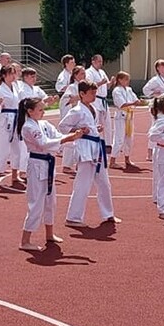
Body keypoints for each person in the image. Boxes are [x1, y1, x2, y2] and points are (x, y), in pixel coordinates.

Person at [18, 97, 86, 251]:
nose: (43, 112)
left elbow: (57, 137)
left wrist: (76, 136)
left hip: (48, 164)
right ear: (30, 111)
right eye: (40, 109)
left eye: (43, 109)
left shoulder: (44, 124)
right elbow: (44, 143)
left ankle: (50, 233)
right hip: (36, 165)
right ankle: (25, 240)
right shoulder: (28, 127)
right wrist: (70, 137)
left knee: (50, 201)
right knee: (36, 203)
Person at [60, 80, 120, 227]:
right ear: (82, 94)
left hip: (95, 147)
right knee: (83, 183)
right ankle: (73, 217)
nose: (94, 95)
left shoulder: (91, 108)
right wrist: (77, 132)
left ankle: (108, 213)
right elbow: (62, 127)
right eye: (92, 93)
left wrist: (94, 128)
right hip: (85, 148)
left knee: (104, 183)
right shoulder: (76, 110)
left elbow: (89, 125)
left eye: (95, 92)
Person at [0, 64, 26, 184]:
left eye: (14, 73)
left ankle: (15, 174)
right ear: (4, 75)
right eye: (10, 73)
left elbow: (21, 102)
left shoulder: (16, 87)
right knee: (3, 149)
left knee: (16, 148)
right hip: (4, 120)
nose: (13, 76)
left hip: (16, 118)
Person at [110, 71, 145, 168]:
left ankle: (127, 159)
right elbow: (121, 104)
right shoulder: (116, 90)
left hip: (129, 116)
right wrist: (134, 103)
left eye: (128, 79)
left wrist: (140, 102)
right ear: (119, 80)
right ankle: (113, 161)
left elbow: (135, 99)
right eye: (125, 79)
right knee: (119, 139)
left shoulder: (129, 89)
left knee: (129, 138)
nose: (127, 81)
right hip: (121, 116)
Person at [59, 66, 86, 172]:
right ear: (75, 75)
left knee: (80, 140)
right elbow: (67, 100)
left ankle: (79, 163)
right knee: (71, 140)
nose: (84, 76)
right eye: (81, 74)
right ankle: (66, 166)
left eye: (84, 73)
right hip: (72, 115)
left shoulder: (83, 86)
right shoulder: (72, 87)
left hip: (80, 115)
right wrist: (81, 96)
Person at [86, 54, 114, 142]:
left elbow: (107, 86)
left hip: (103, 100)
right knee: (97, 122)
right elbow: (90, 86)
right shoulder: (89, 72)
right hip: (95, 99)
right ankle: (96, 141)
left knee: (107, 122)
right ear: (93, 62)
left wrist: (112, 82)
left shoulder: (102, 72)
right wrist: (101, 83)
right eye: (99, 61)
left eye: (101, 61)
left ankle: (108, 144)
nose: (100, 63)